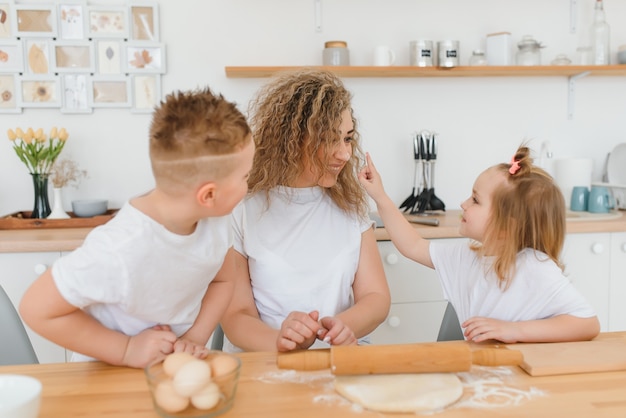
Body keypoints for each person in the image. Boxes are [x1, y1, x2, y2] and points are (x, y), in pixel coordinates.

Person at [19, 87, 255, 368]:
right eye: (245, 176)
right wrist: (127, 349)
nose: (249, 184)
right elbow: (35, 309)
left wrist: (195, 336)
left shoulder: (216, 220)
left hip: (166, 369)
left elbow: (223, 279)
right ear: (208, 195)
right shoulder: (120, 248)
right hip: (103, 376)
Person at [220, 69, 390, 353]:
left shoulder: (350, 205)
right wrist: (279, 341)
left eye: (347, 138)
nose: (345, 154)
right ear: (292, 139)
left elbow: (376, 297)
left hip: (336, 361)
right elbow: (236, 317)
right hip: (264, 364)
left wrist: (342, 325)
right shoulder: (241, 210)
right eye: (329, 140)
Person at [358, 145, 600, 343]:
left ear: (507, 226)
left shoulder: (535, 267)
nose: (463, 203)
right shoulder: (466, 256)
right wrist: (379, 195)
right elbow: (412, 245)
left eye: (475, 199)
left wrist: (513, 331)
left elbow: (588, 323)